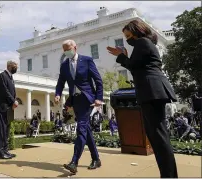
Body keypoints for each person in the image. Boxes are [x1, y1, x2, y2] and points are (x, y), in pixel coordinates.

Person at [107, 20, 178, 178]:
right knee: (157, 134)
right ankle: (168, 174)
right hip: (153, 90)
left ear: (136, 31)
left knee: (158, 136)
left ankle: (168, 175)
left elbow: (133, 66)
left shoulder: (142, 42)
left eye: (128, 35)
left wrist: (121, 56)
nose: (127, 39)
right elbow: (137, 66)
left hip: (151, 91)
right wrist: (124, 56)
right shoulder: (145, 43)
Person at [54, 39, 103, 174]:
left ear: (75, 47)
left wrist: (99, 98)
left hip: (87, 99)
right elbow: (60, 82)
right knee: (86, 130)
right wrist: (57, 94)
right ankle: (96, 159)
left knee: (81, 130)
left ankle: (74, 162)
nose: (66, 51)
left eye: (68, 48)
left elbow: (98, 80)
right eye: (64, 49)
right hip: (75, 101)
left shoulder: (87, 60)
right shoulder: (64, 65)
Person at [0, 61, 18, 159]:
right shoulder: (2, 76)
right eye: (14, 67)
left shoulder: (11, 77)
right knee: (1, 130)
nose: (16, 68)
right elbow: (5, 91)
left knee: (6, 130)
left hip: (9, 108)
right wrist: (13, 101)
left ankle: (5, 151)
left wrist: (13, 102)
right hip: (2, 107)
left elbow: (12, 92)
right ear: (9, 66)